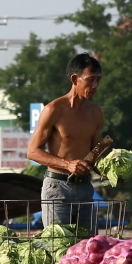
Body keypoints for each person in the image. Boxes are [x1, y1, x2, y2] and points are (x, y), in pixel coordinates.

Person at [27, 52, 105, 231]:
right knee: (59, 247)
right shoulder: (54, 109)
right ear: (75, 78)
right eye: (90, 79)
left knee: (89, 249)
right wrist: (68, 164)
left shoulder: (96, 113)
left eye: (98, 80)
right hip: (57, 188)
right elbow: (32, 151)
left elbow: (95, 155)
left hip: (85, 188)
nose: (95, 85)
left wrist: (111, 171)